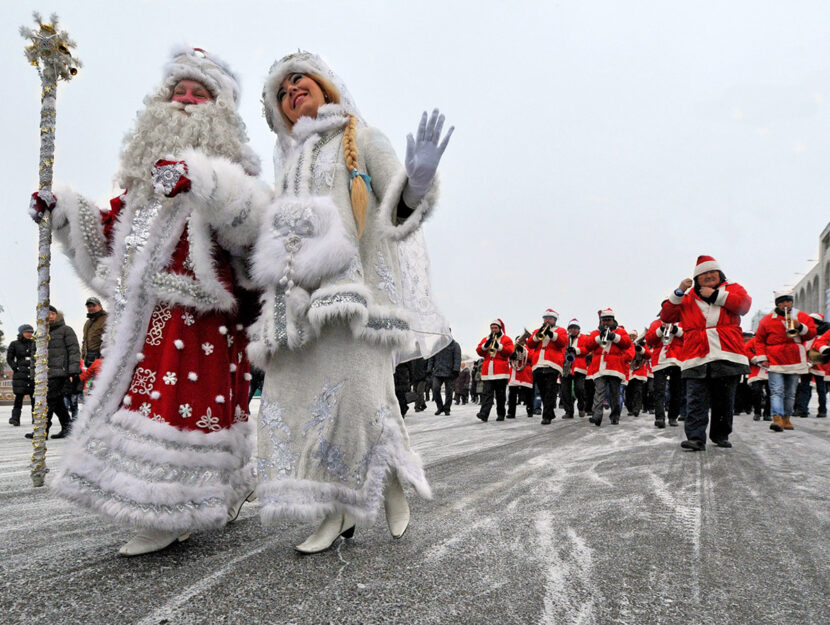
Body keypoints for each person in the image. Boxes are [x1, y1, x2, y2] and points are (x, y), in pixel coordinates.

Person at [36, 48, 269, 555]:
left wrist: (202, 182)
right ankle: (216, 489)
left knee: (185, 411)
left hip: (201, 319)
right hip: (141, 318)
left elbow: (252, 226)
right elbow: (107, 236)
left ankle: (168, 507)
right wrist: (62, 211)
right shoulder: (142, 185)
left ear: (219, 109)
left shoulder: (236, 172)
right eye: (178, 92)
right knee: (153, 409)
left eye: (198, 94)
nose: (185, 101)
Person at [250, 51, 453, 554]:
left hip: (355, 301)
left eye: (301, 81)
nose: (292, 91)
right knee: (306, 410)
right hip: (299, 311)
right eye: (282, 91)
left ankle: (385, 479)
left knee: (360, 402)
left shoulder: (358, 137)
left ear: (324, 86)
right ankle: (336, 511)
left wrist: (419, 182)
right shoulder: (289, 165)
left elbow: (396, 210)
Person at [661, 255, 751, 450]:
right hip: (696, 354)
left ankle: (720, 435)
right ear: (696, 279)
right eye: (704, 274)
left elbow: (744, 305)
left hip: (727, 352)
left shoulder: (733, 288)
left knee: (724, 399)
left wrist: (716, 295)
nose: (709, 276)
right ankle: (695, 438)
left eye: (712, 272)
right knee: (696, 399)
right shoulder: (687, 297)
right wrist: (679, 292)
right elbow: (667, 316)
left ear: (720, 274)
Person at [753, 290, 816, 432]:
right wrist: (762, 358)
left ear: (792, 302)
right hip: (775, 360)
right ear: (777, 304)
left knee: (790, 392)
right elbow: (759, 340)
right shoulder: (767, 320)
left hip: (794, 359)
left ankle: (787, 418)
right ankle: (777, 418)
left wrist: (800, 326)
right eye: (782, 302)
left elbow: (812, 334)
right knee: (776, 391)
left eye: (788, 301)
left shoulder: (801, 316)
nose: (785, 304)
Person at [23, 307, 80, 439]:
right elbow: (34, 355)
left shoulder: (66, 330)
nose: (49, 316)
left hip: (60, 372)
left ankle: (42, 430)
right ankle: (68, 427)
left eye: (52, 314)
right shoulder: (39, 333)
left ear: (56, 315)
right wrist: (33, 374)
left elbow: (74, 351)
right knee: (57, 401)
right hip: (43, 373)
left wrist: (73, 371)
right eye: (45, 314)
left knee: (48, 400)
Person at [579, 309, 632, 426]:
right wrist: (599, 338)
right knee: (599, 392)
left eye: (608, 320)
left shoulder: (621, 331)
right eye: (604, 320)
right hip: (599, 367)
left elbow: (627, 344)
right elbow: (587, 346)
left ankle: (615, 416)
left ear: (613, 320)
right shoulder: (595, 332)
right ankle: (597, 416)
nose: (606, 322)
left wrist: (614, 337)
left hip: (615, 367)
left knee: (614, 393)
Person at [526, 309, 568, 424]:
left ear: (554, 320)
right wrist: (538, 334)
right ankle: (550, 412)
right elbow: (530, 344)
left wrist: (551, 334)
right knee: (543, 391)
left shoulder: (561, 330)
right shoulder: (537, 330)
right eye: (545, 318)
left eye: (549, 318)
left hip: (552, 363)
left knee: (550, 390)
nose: (547, 320)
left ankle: (546, 416)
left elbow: (563, 343)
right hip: (538, 363)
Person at [645, 312, 684, 428]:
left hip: (677, 359)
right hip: (660, 360)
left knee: (676, 391)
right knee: (659, 391)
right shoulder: (656, 323)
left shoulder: (683, 322)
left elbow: (689, 336)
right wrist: (661, 329)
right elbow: (649, 340)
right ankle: (660, 417)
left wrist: (676, 330)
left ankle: (673, 417)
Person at [476, 320, 515, 422]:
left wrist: (499, 346)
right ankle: (484, 414)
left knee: (500, 395)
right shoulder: (486, 339)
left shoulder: (506, 339)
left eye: (495, 328)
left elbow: (510, 351)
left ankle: (501, 413)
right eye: (492, 328)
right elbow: (479, 351)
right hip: (488, 371)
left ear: (500, 329)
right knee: (487, 394)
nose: (493, 330)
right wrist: (486, 345)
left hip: (501, 371)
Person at [7, 324, 35, 427]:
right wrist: (15, 368)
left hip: (33, 373)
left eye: (31, 332)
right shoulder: (14, 344)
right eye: (27, 332)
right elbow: (9, 358)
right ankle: (15, 418)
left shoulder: (35, 343)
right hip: (20, 374)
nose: (29, 334)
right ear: (21, 333)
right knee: (19, 397)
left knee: (34, 398)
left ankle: (36, 419)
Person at [427, 333, 461, 415]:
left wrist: (456, 370)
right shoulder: (436, 345)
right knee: (435, 389)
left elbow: (457, 358)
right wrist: (429, 369)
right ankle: (439, 407)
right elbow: (431, 357)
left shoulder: (455, 345)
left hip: (450, 372)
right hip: (437, 372)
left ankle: (447, 408)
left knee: (449, 392)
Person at [560, 319, 587, 418]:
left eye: (575, 328)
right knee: (565, 391)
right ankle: (569, 412)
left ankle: (581, 406)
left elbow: (587, 349)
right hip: (566, 367)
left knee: (579, 389)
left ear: (579, 329)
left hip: (579, 367)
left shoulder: (584, 338)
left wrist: (576, 350)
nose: (573, 330)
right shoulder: (565, 339)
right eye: (571, 328)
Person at [507, 336, 534, 418]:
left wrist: (523, 351)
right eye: (518, 341)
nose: (520, 342)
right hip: (514, 372)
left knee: (528, 393)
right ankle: (511, 412)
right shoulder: (513, 348)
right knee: (512, 394)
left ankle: (530, 410)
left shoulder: (529, 348)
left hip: (525, 372)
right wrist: (511, 356)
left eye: (521, 340)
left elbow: (532, 357)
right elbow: (508, 359)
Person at [625, 330, 650, 417]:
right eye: (630, 336)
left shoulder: (642, 344)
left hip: (639, 371)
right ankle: (630, 408)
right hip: (629, 371)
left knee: (638, 391)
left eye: (634, 336)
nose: (632, 337)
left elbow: (648, 355)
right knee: (629, 392)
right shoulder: (627, 345)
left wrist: (641, 349)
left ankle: (636, 409)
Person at [82, 297, 108, 368]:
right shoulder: (87, 323)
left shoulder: (107, 319)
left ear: (100, 306)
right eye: (89, 306)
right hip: (88, 359)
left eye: (94, 306)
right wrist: (83, 356)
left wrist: (103, 357)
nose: (91, 308)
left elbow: (109, 339)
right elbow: (84, 341)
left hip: (101, 359)